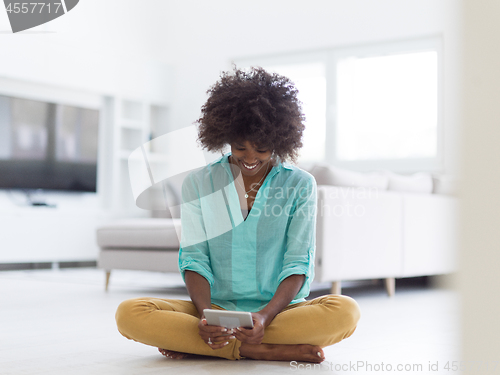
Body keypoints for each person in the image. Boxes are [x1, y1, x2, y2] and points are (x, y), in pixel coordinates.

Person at [115, 67, 360, 362]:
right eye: (239, 147)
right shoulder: (199, 183)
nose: (250, 158)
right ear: (224, 137)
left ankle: (210, 345)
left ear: (280, 140)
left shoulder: (300, 184)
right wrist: (206, 318)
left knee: (346, 312)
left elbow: (298, 262)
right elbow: (194, 258)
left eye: (261, 149)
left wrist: (265, 317)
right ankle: (257, 349)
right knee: (130, 314)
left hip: (280, 312)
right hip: (215, 310)